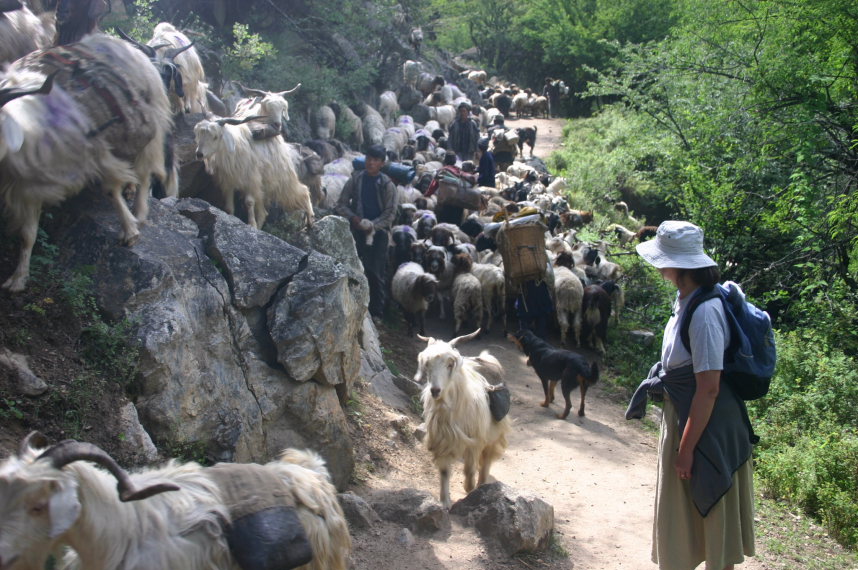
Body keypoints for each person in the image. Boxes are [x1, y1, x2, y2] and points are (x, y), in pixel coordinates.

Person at [627, 221, 755, 570]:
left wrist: (685, 451)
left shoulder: (705, 313)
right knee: (683, 520)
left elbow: (709, 388)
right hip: (687, 415)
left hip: (707, 427)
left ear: (677, 265)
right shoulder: (686, 299)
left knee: (714, 521)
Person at [335, 144, 397, 320]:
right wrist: (354, 218)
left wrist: (373, 225)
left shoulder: (387, 185)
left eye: (376, 160)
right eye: (369, 159)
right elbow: (341, 203)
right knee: (354, 268)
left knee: (375, 271)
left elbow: (390, 213)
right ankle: (353, 306)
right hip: (356, 230)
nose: (371, 163)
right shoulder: (356, 179)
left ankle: (377, 312)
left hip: (379, 233)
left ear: (382, 163)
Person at [424, 150, 476, 225]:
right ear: (455, 161)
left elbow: (433, 186)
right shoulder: (459, 172)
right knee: (455, 226)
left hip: (445, 206)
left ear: (445, 161)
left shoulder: (442, 171)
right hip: (458, 206)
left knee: (442, 225)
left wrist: (426, 195)